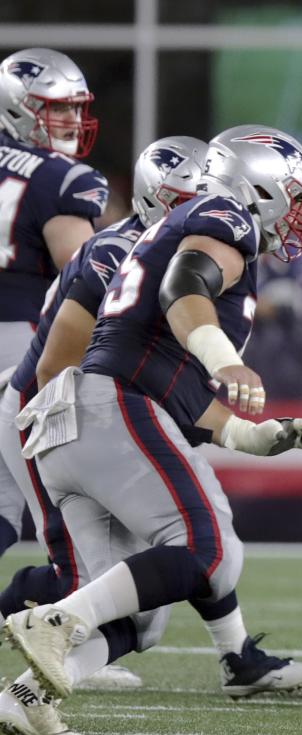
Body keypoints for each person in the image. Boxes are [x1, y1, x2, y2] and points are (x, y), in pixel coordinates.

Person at [0, 125, 302, 735]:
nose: (301, 209)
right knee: (210, 551)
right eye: (296, 193)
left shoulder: (166, 232)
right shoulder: (223, 214)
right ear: (259, 186)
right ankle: (58, 617)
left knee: (141, 615)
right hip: (106, 406)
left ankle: (23, 699)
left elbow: (175, 383)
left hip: (80, 426)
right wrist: (221, 356)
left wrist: (256, 438)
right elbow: (186, 289)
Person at [0, 48, 109, 556]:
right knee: (50, 497)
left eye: (74, 107)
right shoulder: (60, 177)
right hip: (22, 344)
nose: (70, 119)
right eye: (55, 107)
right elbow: (84, 273)